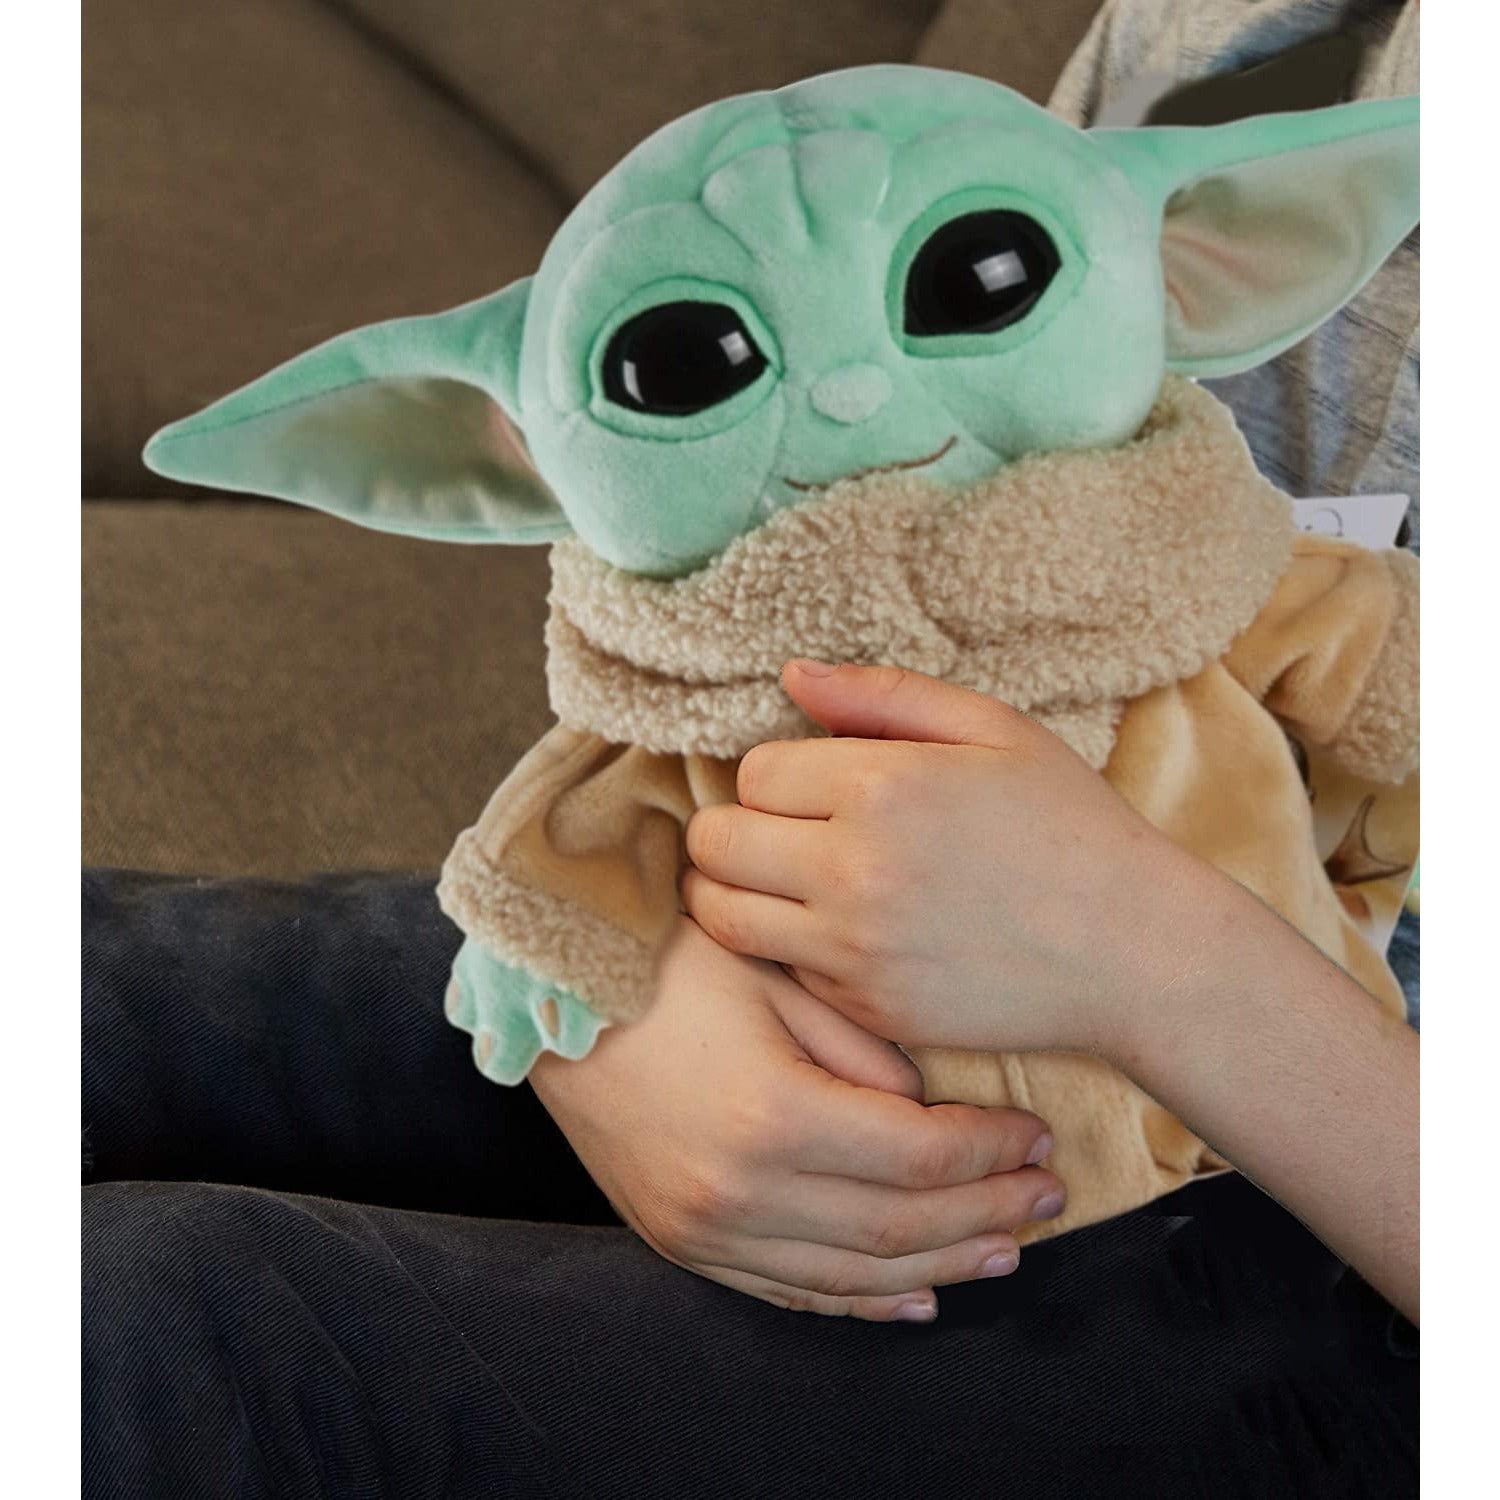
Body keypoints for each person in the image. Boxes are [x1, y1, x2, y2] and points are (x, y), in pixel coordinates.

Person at [83, 1, 1419, 1493]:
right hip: (878, 945)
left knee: (151, 1332)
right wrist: (612, 1005)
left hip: (1354, 1242)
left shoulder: (1309, 611)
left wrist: (1158, 962)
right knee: (97, 989)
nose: (854, 398)